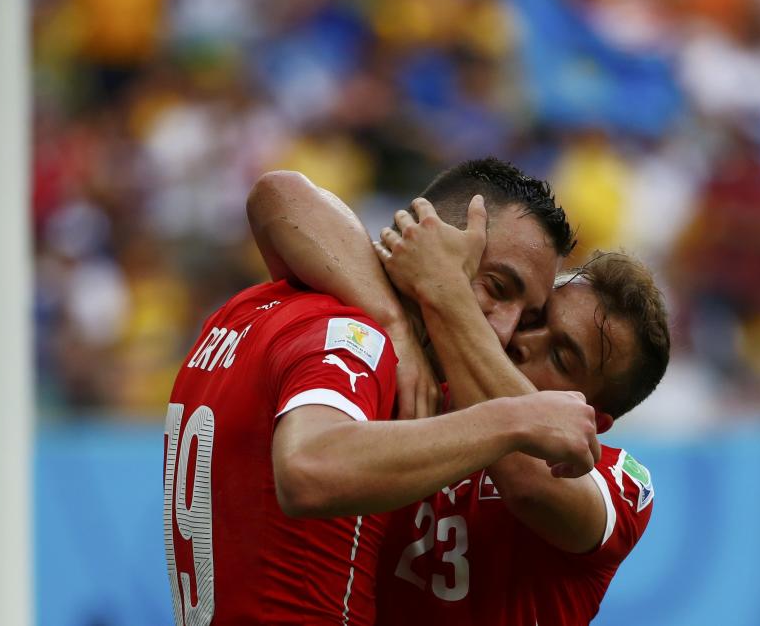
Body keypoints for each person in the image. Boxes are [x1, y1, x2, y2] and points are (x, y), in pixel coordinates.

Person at [163, 161, 601, 625]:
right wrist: (515, 420)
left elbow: (280, 194)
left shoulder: (246, 310)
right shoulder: (355, 338)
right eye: (496, 287)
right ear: (428, 238)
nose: (503, 330)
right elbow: (309, 467)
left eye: (525, 315)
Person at [250, 164, 670, 624]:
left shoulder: (616, 483)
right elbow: (281, 196)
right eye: (536, 319)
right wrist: (396, 323)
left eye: (562, 357)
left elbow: (529, 478)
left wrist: (445, 291)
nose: (513, 335)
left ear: (593, 417)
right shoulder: (417, 376)